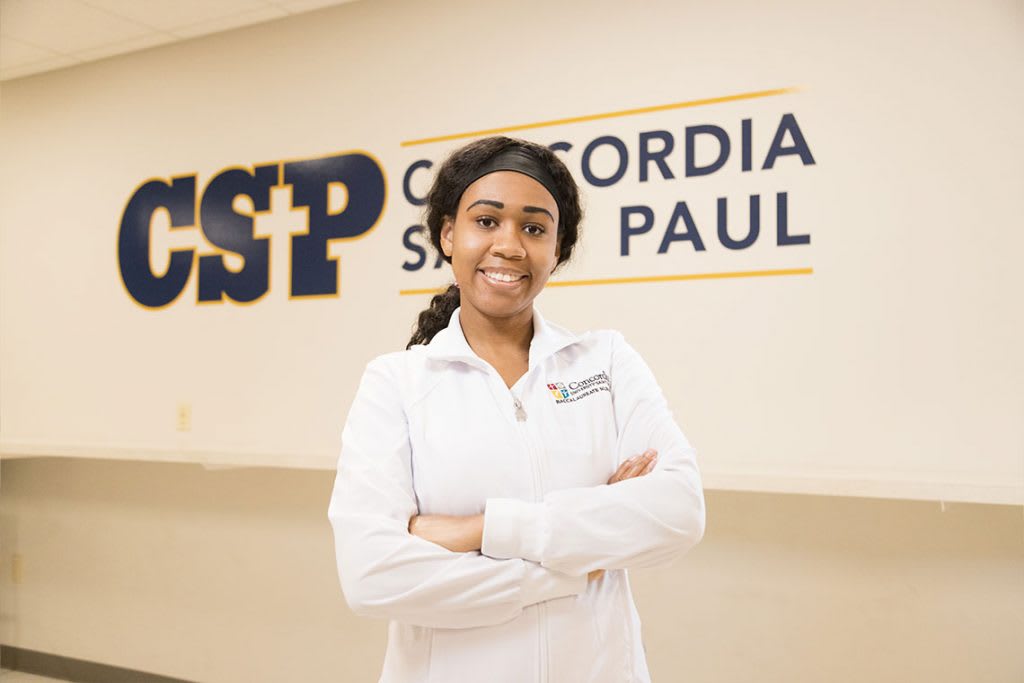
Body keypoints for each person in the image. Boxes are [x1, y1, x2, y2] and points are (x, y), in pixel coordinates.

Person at [327, 136, 705, 683]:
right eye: (486, 221)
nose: (509, 245)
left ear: (558, 250)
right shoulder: (398, 383)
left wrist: (482, 529)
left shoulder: (605, 361)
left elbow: (679, 511)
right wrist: (574, 565)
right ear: (448, 234)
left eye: (534, 228)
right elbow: (372, 575)